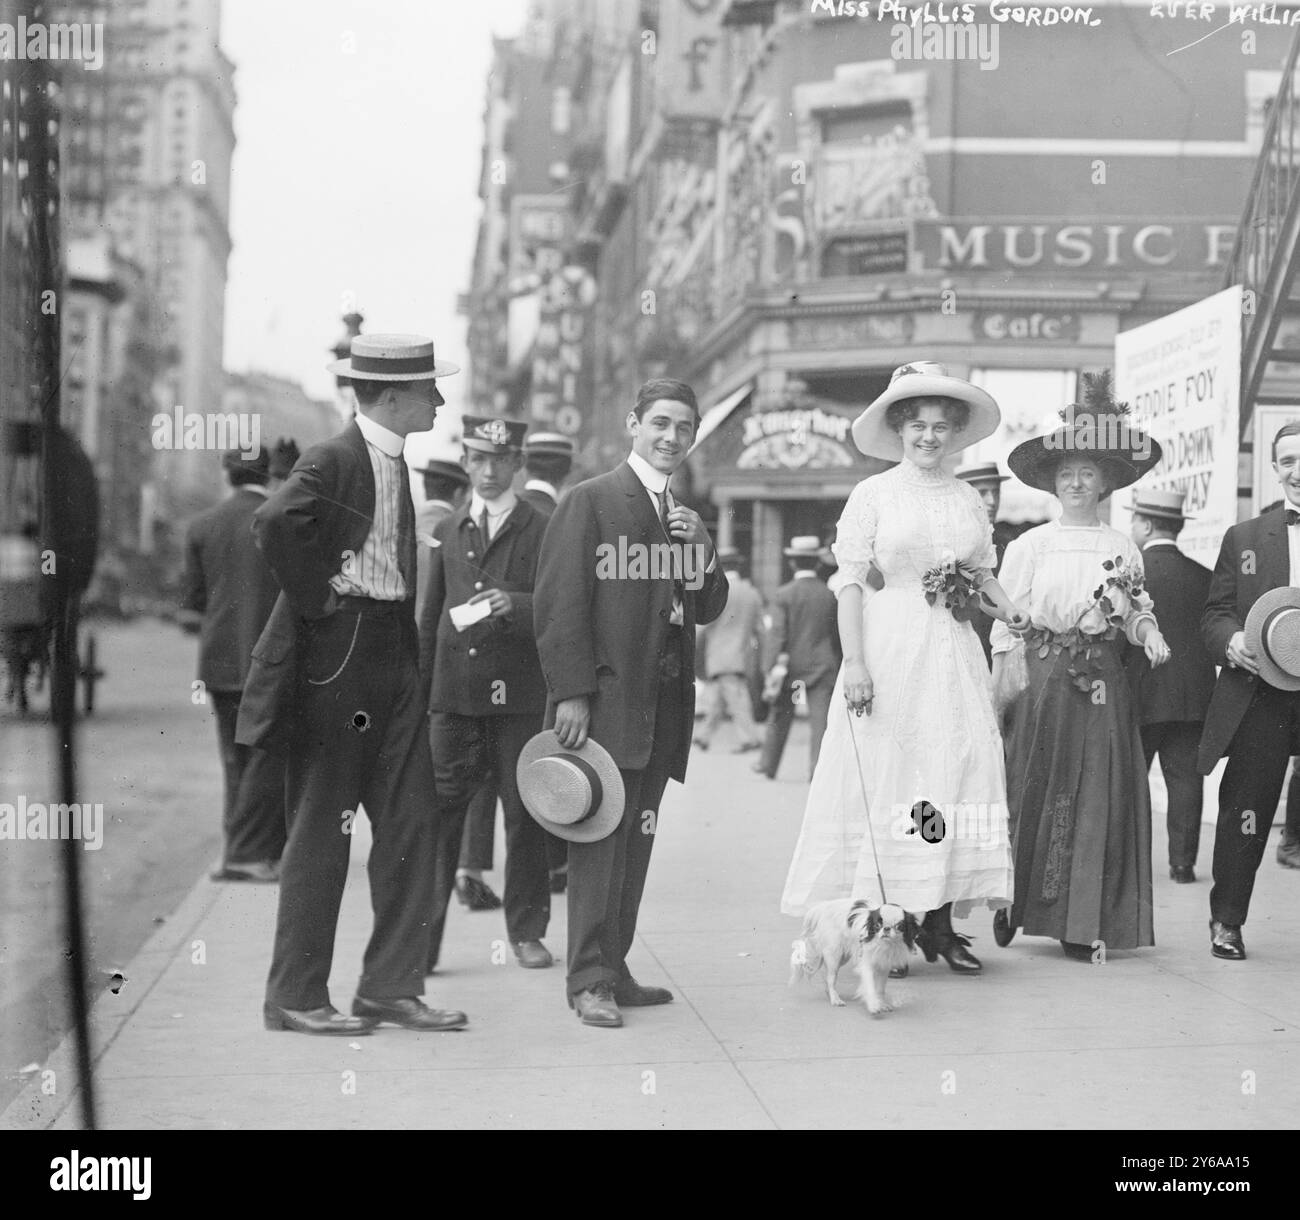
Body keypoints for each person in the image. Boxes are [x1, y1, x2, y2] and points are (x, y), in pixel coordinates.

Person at [237, 334, 466, 1035]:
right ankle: (297, 996)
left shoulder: (391, 458)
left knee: (412, 822)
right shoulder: (336, 456)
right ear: (393, 396)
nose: (440, 400)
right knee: (324, 829)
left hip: (392, 650)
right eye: (430, 390)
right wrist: (320, 598)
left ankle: (390, 988)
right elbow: (275, 519)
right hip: (342, 657)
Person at [782, 361, 1029, 976]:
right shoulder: (874, 495)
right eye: (917, 425)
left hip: (950, 648)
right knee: (895, 779)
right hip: (889, 645)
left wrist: (1010, 610)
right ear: (898, 429)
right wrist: (857, 662)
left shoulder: (968, 497)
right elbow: (848, 583)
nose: (929, 437)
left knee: (953, 772)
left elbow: (981, 573)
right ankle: (886, 926)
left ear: (955, 434)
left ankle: (940, 926)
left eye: (941, 427)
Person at [534, 377, 729, 1027]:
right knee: (599, 842)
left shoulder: (682, 512)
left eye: (685, 427)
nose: (673, 437)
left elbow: (707, 605)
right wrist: (571, 694)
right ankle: (587, 978)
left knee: (635, 844)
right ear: (633, 424)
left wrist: (700, 548)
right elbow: (560, 607)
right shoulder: (589, 502)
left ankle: (612, 968)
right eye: (662, 424)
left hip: (662, 708)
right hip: (608, 705)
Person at [992, 371, 1170, 961]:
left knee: (1098, 789)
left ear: (1104, 483)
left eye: (1087, 474)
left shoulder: (1121, 545)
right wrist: (1005, 673)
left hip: (1101, 679)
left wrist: (1149, 635)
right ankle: (1014, 901)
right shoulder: (1029, 546)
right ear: (1052, 483)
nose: (1076, 483)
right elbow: (1006, 617)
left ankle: (1080, 918)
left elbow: (1133, 610)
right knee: (1032, 782)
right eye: (1066, 474)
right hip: (1044, 673)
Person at [419, 416, 555, 972]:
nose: (490, 470)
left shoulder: (542, 526)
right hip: (455, 701)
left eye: (501, 460)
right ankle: (421, 943)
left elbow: (562, 610)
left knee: (524, 816)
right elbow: (431, 619)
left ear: (518, 464)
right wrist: (424, 698)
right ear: (467, 464)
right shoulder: (450, 529)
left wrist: (517, 605)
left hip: (520, 701)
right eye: (479, 459)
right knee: (439, 818)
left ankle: (526, 932)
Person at [1197, 421, 1300, 959]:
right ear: (1276, 468)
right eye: (1287, 461)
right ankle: (1228, 921)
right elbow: (1215, 612)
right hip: (1263, 690)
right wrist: (1231, 639)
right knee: (1248, 806)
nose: (1297, 471)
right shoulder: (1245, 538)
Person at [179, 449, 286, 883]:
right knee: (269, 756)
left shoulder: (201, 525)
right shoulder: (279, 520)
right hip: (272, 659)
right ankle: (253, 853)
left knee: (233, 757)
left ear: (227, 475)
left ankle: (237, 851)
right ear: (266, 473)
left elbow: (192, 604)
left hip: (221, 662)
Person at [413, 455, 503, 910]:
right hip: (463, 675)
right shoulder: (457, 531)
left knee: (430, 787)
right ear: (457, 490)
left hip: (420, 675)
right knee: (477, 783)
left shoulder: (401, 527)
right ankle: (469, 871)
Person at [1125, 488, 1214, 884]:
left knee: (1131, 781)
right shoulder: (1204, 576)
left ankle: (1132, 861)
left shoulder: (1129, 575)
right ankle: (1182, 864)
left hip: (1140, 696)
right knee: (1186, 781)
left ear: (1145, 524)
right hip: (1193, 699)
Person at [518, 431, 577, 894]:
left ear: (523, 465)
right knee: (550, 769)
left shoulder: (513, 514)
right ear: (567, 470)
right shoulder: (561, 517)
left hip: (495, 664)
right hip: (543, 670)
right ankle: (553, 864)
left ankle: (472, 865)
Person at [753, 538, 840, 781]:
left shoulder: (784, 594)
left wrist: (768, 668)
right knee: (820, 723)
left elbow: (777, 636)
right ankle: (817, 773)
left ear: (792, 563)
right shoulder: (828, 595)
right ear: (817, 563)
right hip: (822, 668)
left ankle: (768, 765)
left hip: (792, 671)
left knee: (781, 716)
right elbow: (835, 636)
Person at [694, 547, 763, 753]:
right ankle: (703, 736)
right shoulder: (752, 593)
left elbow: (701, 627)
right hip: (741, 654)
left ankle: (749, 738)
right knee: (720, 697)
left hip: (717, 655)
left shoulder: (716, 591)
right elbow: (760, 629)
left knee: (735, 698)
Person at [956, 461, 1017, 668]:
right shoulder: (945, 547)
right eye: (982, 493)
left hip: (1000, 650)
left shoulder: (1010, 544)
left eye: (996, 492)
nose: (991, 501)